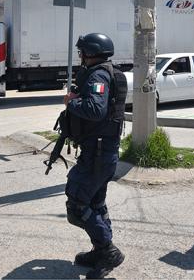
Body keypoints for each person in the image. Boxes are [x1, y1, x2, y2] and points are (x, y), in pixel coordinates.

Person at [63, 33, 127, 279]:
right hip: (102, 151)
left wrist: (71, 103)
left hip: (98, 153)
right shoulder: (107, 71)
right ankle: (100, 251)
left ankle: (107, 250)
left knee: (78, 205)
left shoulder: (99, 75)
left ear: (89, 53)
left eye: (81, 52)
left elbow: (95, 109)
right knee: (95, 203)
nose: (80, 56)